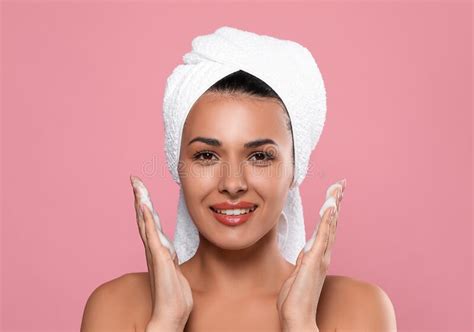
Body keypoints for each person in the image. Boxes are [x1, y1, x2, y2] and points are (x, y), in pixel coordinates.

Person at [81, 29, 397, 332]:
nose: (232, 184)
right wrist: (166, 322)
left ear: (294, 170)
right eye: (206, 156)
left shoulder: (358, 308)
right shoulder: (118, 306)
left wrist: (299, 324)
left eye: (260, 156)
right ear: (177, 165)